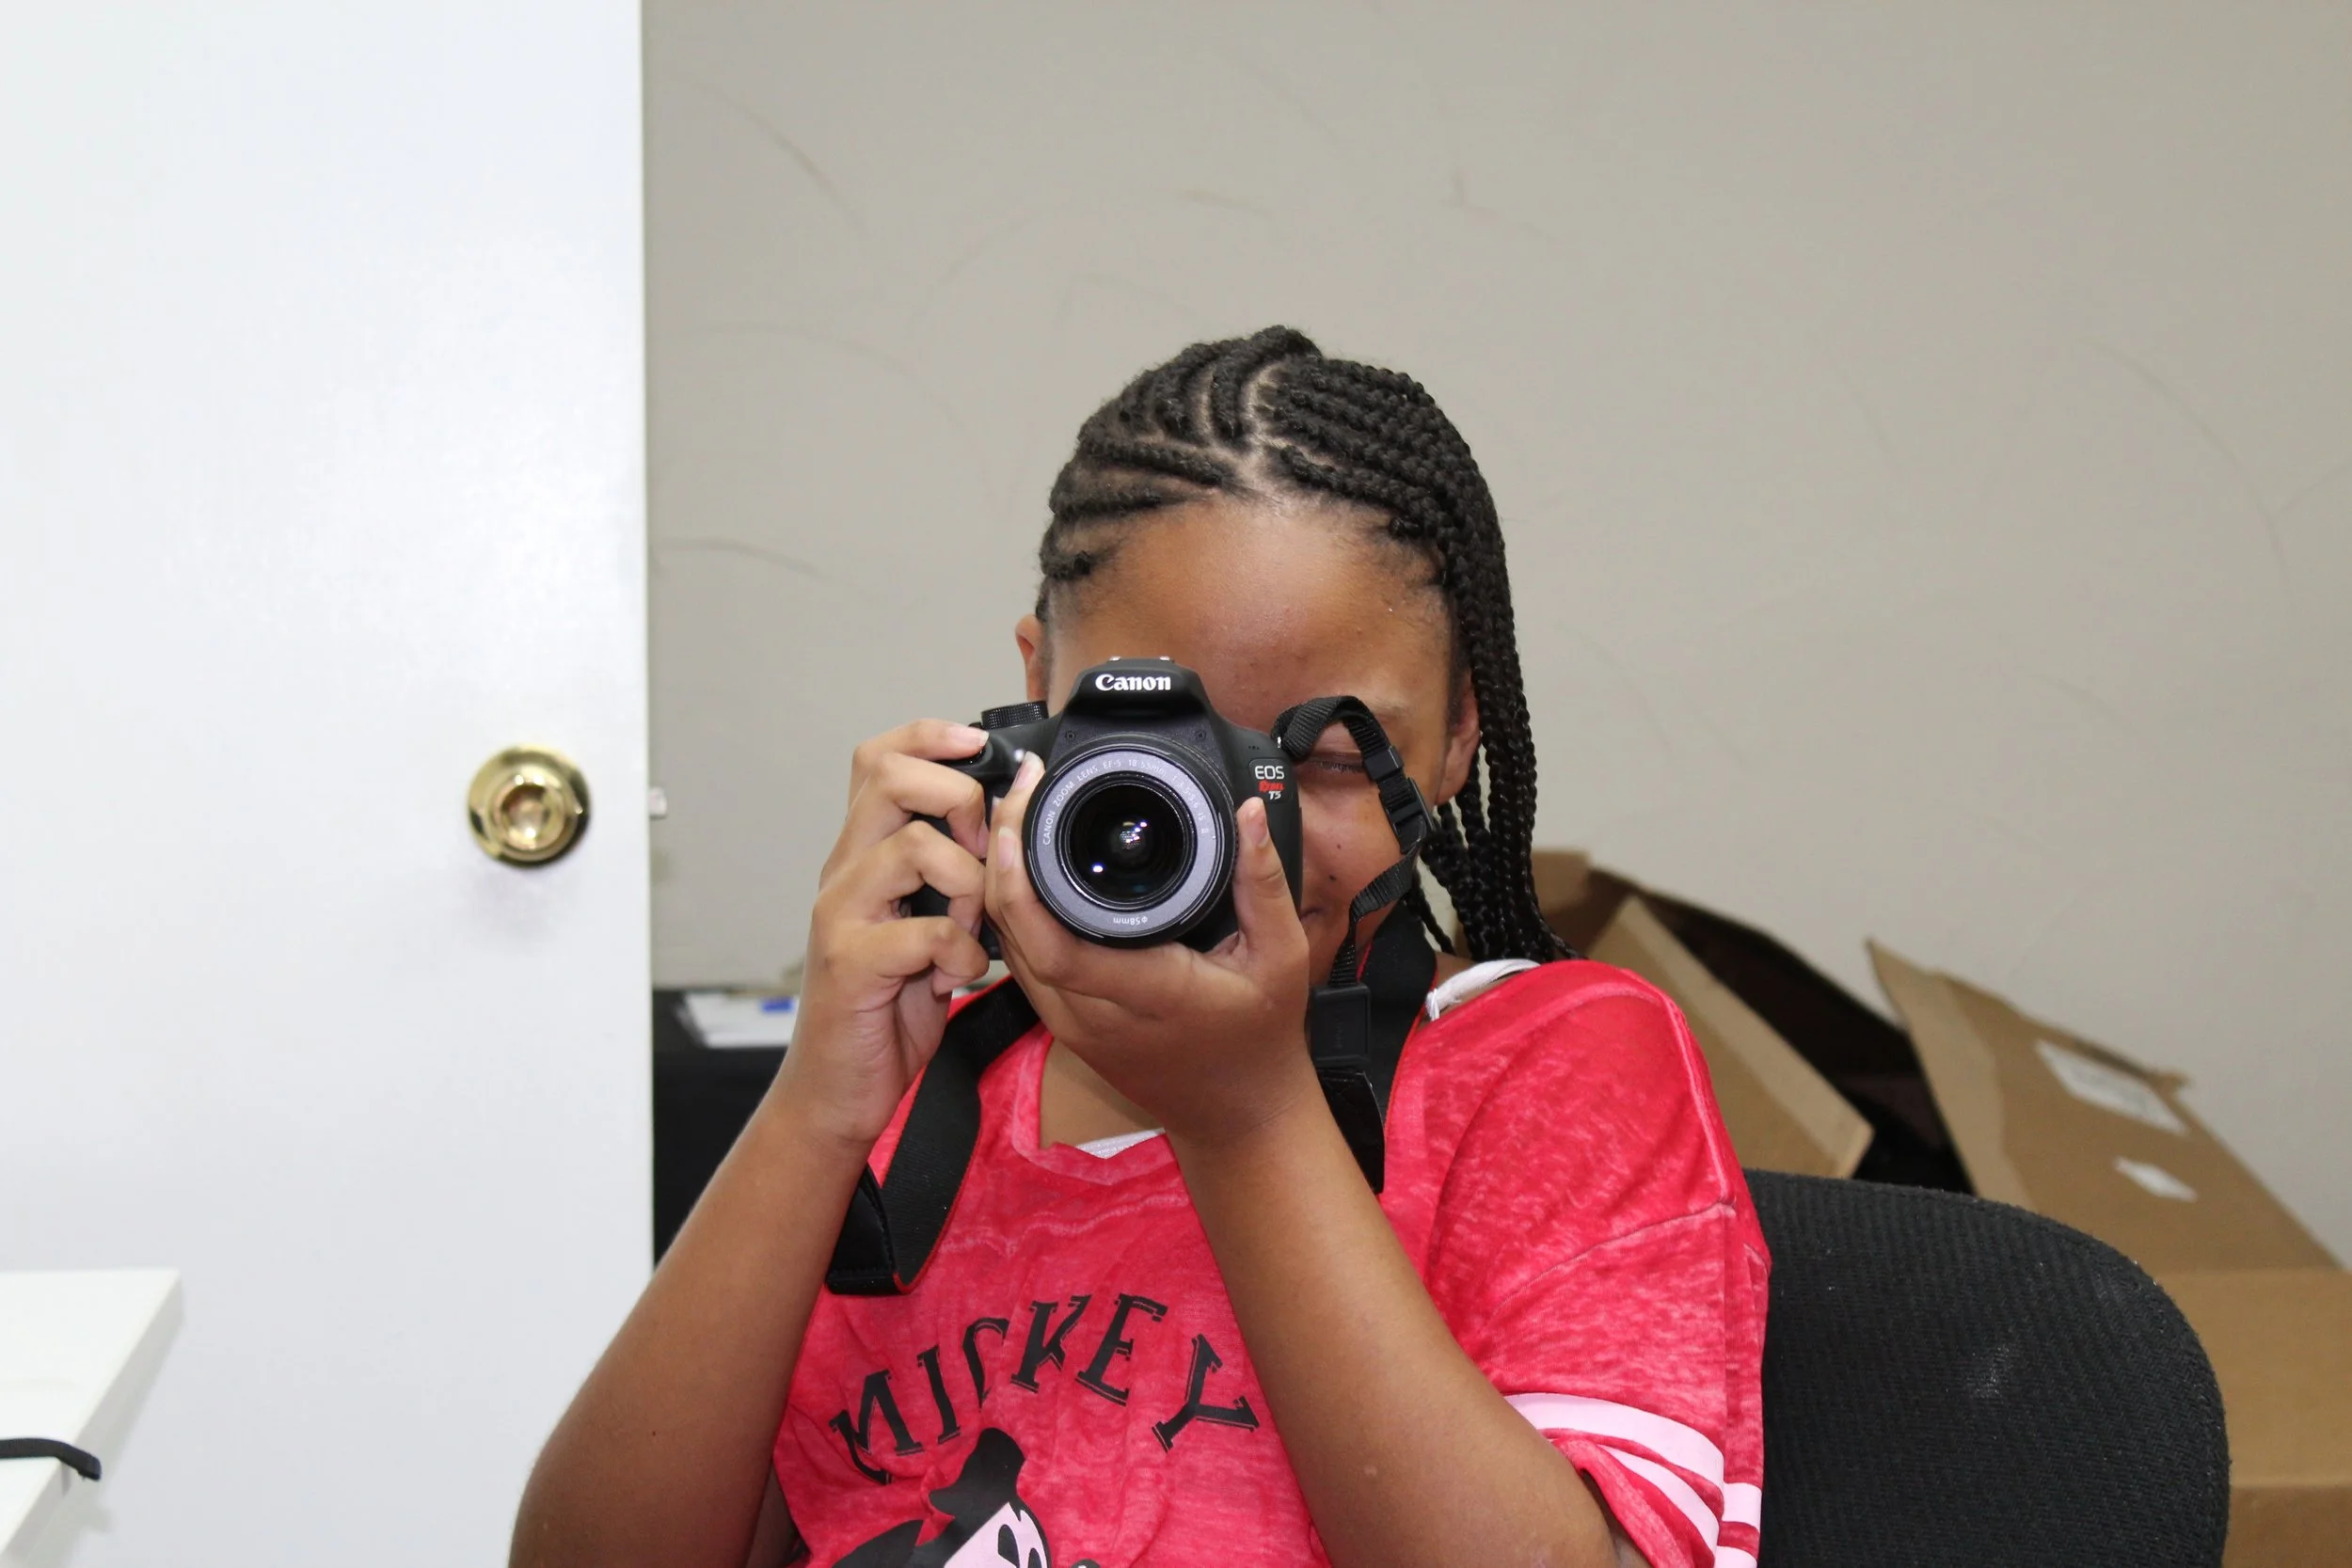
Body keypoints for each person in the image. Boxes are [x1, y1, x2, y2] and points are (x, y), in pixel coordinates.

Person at [512, 328, 1768, 1568]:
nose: (1244, 827)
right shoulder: (920, 1104)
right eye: (1164, 749)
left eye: (1326, 757)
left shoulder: (1556, 1065)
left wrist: (1248, 1120)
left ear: (1452, 740)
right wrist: (814, 1116)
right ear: (1037, 687)